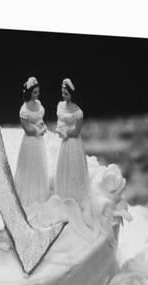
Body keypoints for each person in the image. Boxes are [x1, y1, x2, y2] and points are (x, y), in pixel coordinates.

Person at [14, 77, 50, 208]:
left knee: (39, 165)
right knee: (30, 167)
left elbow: (40, 120)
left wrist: (43, 126)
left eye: (37, 92)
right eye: (34, 92)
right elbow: (27, 128)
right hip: (30, 142)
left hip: (39, 141)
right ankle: (28, 195)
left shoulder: (39, 105)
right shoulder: (24, 110)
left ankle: (39, 193)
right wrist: (37, 130)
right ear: (29, 93)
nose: (37, 94)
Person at [54, 78, 89, 206]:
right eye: (62, 93)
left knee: (74, 169)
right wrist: (60, 129)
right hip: (65, 142)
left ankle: (76, 198)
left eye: (66, 93)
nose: (63, 95)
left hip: (73, 142)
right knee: (64, 168)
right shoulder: (61, 105)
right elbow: (60, 121)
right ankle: (64, 195)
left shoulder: (78, 112)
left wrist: (65, 132)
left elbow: (76, 131)